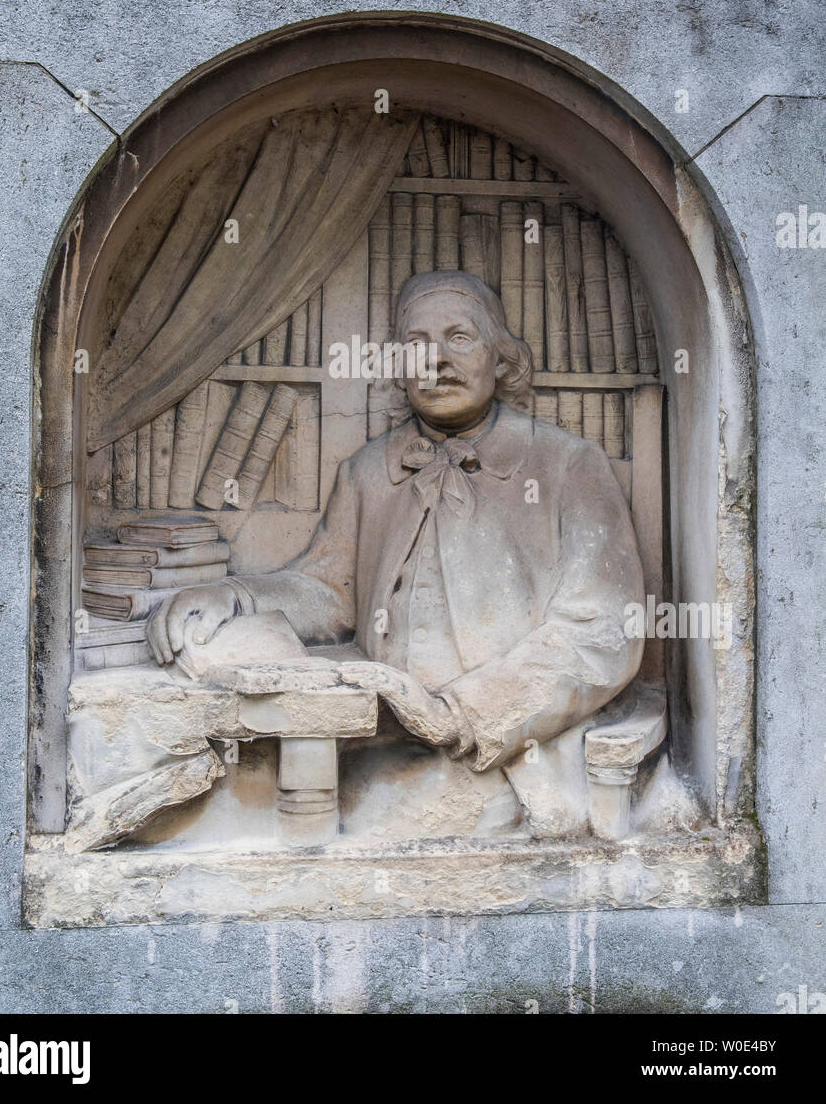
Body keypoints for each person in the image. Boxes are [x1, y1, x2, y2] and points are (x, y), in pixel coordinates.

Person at [147, 270, 645, 839]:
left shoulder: (568, 467)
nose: (434, 361)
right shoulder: (366, 471)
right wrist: (232, 596)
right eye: (415, 345)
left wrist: (462, 714)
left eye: (459, 338)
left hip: (501, 757)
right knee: (217, 807)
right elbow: (329, 591)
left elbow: (603, 632)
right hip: (372, 737)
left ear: (502, 359)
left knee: (324, 828)